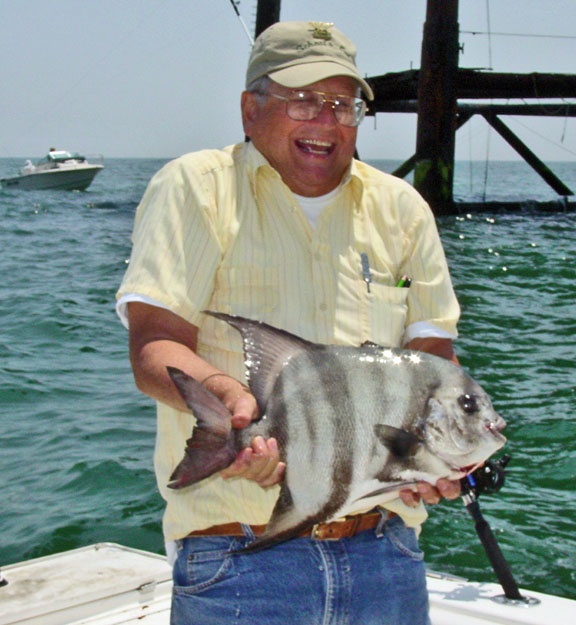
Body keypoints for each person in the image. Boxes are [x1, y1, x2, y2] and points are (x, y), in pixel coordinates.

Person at [117, 20, 461, 625]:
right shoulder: (197, 189)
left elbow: (433, 359)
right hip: (239, 553)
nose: (326, 120)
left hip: (386, 550)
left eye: (344, 105)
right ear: (251, 109)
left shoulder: (402, 210)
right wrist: (229, 402)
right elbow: (155, 343)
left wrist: (442, 461)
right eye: (303, 100)